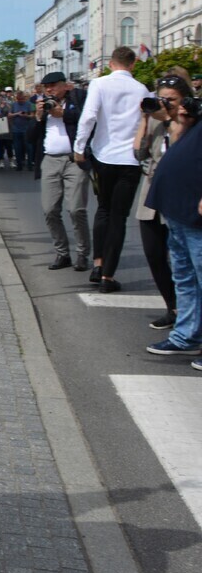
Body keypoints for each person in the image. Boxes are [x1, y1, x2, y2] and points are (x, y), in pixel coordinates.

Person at [73, 47, 155, 292]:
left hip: (103, 156)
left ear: (111, 63)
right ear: (132, 65)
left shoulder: (99, 84)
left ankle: (98, 265)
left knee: (103, 211)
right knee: (119, 217)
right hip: (129, 160)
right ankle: (108, 276)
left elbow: (88, 117)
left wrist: (79, 147)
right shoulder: (141, 89)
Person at [144, 88, 202, 359]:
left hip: (194, 210)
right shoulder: (187, 121)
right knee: (185, 277)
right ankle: (186, 335)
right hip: (177, 208)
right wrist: (183, 119)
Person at [134, 75, 190, 330]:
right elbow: (138, 152)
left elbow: (181, 149)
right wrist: (145, 117)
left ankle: (187, 314)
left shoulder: (189, 122)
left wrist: (169, 118)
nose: (165, 104)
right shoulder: (157, 121)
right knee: (154, 254)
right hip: (152, 193)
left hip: (180, 195)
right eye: (162, 99)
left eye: (171, 100)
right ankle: (172, 306)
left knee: (185, 260)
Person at [30, 72, 91, 272]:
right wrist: (38, 117)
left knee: (76, 209)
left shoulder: (78, 98)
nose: (49, 90)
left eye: (53, 85)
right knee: (49, 210)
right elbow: (30, 138)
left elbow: (88, 119)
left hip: (74, 160)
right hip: (50, 160)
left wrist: (63, 114)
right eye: (46, 87)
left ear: (65, 85)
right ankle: (62, 253)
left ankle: (82, 253)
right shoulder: (44, 106)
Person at [9, 90, 36, 170]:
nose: (20, 101)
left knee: (29, 147)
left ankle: (30, 164)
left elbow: (32, 116)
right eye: (19, 99)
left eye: (22, 99)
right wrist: (17, 114)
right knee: (17, 148)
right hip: (16, 129)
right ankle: (19, 165)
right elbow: (9, 115)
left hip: (26, 129)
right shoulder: (13, 105)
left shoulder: (29, 104)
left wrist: (26, 115)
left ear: (24, 98)